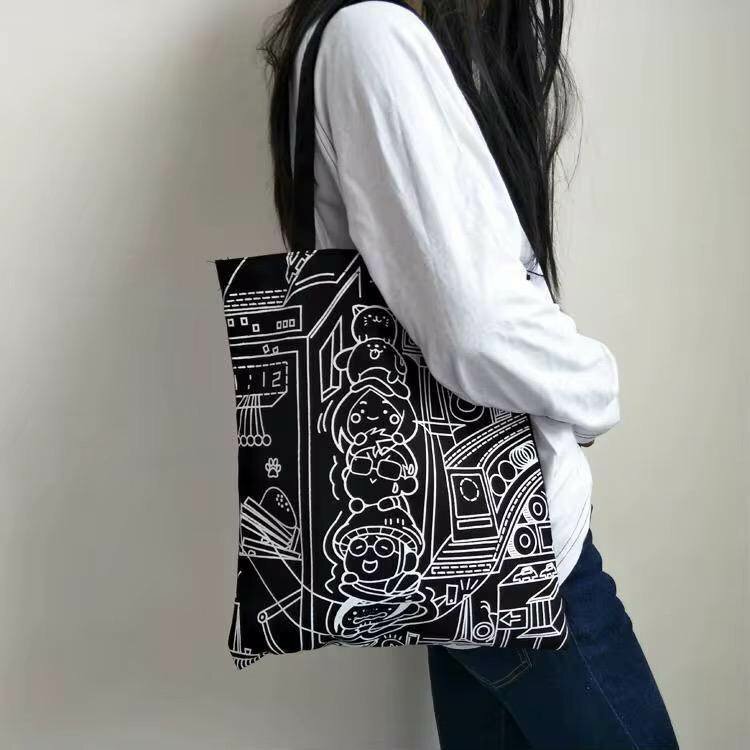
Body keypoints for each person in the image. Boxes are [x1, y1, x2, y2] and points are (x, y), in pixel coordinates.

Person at [260, 0, 680, 747]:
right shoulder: (374, 36)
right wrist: (595, 389)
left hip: (464, 554)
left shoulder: (359, 38)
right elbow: (474, 329)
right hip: (518, 552)